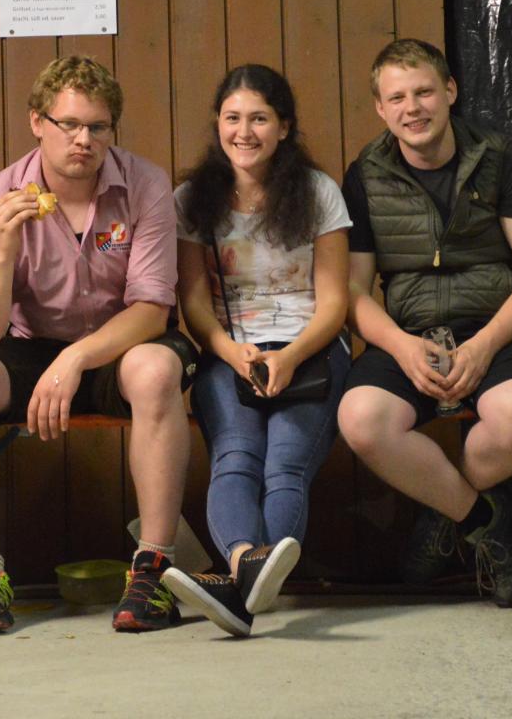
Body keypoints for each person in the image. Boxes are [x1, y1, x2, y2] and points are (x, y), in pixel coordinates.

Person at [0, 56, 196, 636]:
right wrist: (3, 248)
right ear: (37, 122)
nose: (83, 140)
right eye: (68, 124)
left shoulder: (145, 184)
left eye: (97, 127)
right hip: (32, 346)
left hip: (121, 343)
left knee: (156, 369)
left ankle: (153, 571)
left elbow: (152, 309)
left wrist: (76, 359)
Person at [336, 38, 512, 607]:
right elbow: (352, 292)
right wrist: (400, 346)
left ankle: (445, 510)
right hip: (410, 333)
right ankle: (483, 518)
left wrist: (484, 346)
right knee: (361, 420)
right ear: (380, 109)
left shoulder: (501, 156)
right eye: (397, 98)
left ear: (450, 91)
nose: (412, 108)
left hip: (502, 328)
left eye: (424, 92)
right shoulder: (364, 174)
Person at [162, 64, 352, 637]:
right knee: (236, 457)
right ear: (217, 124)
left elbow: (335, 302)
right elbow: (194, 302)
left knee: (284, 464)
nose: (244, 132)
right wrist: (227, 350)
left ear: (284, 127)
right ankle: (248, 564)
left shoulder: (318, 192)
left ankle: (236, 591)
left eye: (260, 119)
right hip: (230, 352)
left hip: (311, 347)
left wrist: (290, 356)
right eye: (233, 118)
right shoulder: (192, 199)